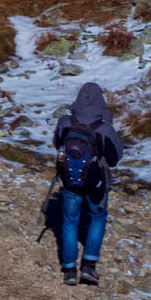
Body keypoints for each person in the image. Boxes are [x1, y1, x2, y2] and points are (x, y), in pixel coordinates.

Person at [53, 81, 124, 286]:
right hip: (96, 184)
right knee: (98, 217)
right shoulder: (103, 129)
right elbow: (114, 158)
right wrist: (108, 125)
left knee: (69, 220)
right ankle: (89, 266)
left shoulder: (65, 122)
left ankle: (68, 269)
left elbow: (57, 143)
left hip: (69, 181)